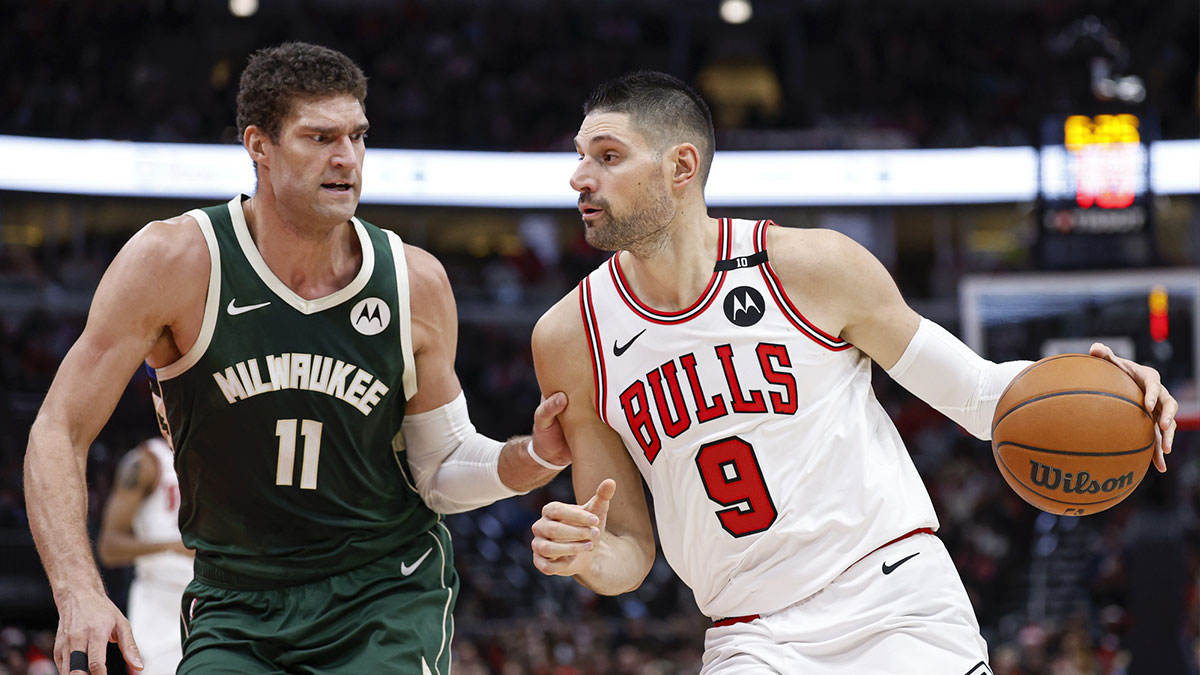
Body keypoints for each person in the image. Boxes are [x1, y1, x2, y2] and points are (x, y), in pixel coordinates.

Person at [528, 71, 1178, 674]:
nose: (581, 177)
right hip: (750, 634)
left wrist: (1104, 383)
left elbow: (979, 393)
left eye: (607, 156)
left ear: (681, 166)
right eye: (579, 157)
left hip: (896, 598)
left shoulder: (811, 266)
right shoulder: (568, 337)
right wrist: (588, 556)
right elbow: (627, 548)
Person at [24, 42, 570, 675]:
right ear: (259, 145)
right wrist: (78, 589)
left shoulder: (413, 281)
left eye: (358, 137)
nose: (347, 159)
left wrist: (532, 458)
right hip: (235, 597)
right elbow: (58, 430)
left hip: (382, 593)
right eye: (320, 138)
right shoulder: (175, 262)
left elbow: (440, 466)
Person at [96, 437, 192, 675]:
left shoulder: (224, 456)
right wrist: (172, 546)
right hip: (161, 602)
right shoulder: (147, 461)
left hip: (215, 598)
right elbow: (109, 547)